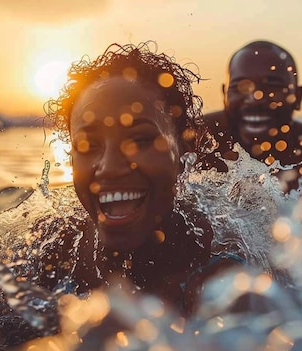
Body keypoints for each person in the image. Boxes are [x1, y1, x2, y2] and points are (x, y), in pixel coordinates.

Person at [40, 42, 242, 317]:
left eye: (141, 139)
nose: (109, 168)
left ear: (184, 150)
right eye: (88, 145)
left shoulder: (228, 264)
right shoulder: (50, 252)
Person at [204, 40, 302, 230]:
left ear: (297, 97)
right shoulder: (197, 142)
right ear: (224, 95)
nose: (255, 98)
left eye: (272, 87)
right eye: (240, 87)